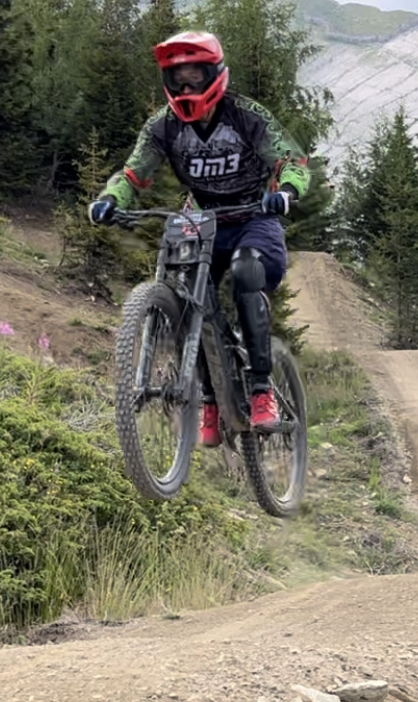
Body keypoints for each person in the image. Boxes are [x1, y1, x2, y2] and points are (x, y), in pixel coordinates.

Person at [88, 31, 310, 441]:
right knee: (190, 296)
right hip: (201, 218)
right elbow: (132, 173)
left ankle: (262, 390)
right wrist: (110, 198)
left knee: (246, 270)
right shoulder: (163, 126)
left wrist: (286, 192)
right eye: (178, 79)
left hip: (253, 216)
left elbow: (292, 161)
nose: (187, 88)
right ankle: (210, 397)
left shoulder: (246, 115)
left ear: (215, 75)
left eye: (195, 77)